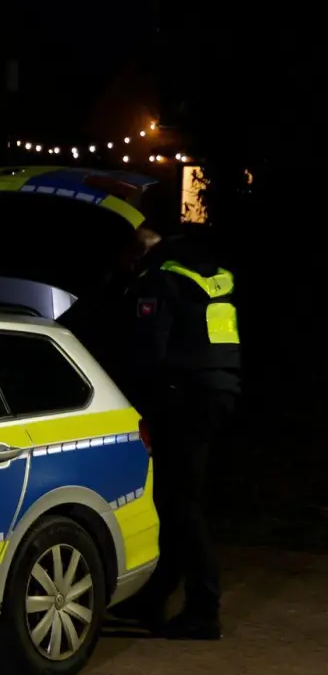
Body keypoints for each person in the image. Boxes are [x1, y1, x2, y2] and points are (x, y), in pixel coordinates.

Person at [107, 222, 241, 640]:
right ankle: (153, 596)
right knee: (174, 499)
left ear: (136, 247)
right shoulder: (212, 272)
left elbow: (150, 351)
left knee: (180, 504)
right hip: (219, 389)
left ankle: (204, 609)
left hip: (183, 396)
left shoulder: (160, 279)